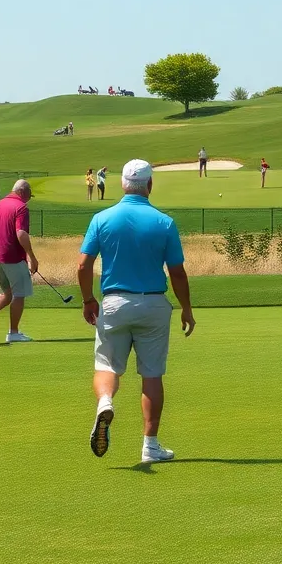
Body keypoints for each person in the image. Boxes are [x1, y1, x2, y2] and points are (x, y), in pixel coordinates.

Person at [77, 159, 195, 463]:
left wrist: (88, 299)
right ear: (150, 185)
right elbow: (177, 272)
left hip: (114, 302)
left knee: (107, 367)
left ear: (122, 185)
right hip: (154, 304)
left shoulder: (102, 219)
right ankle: (150, 446)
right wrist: (186, 309)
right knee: (152, 374)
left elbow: (83, 264)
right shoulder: (164, 222)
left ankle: (105, 402)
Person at [0, 180, 39, 345]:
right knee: (19, 293)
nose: (28, 200)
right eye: (28, 196)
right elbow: (21, 233)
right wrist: (32, 257)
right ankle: (13, 333)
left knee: (7, 293)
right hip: (12, 257)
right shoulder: (21, 207)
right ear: (23, 192)